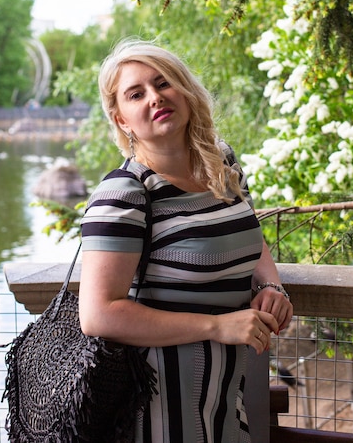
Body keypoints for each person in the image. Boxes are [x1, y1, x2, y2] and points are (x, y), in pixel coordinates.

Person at [79, 39, 293, 443]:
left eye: (164, 83)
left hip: (226, 397)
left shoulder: (221, 162)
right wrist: (218, 326)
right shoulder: (124, 194)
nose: (155, 98)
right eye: (136, 94)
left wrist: (269, 283)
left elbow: (247, 230)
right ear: (122, 119)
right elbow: (98, 316)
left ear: (185, 89)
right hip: (158, 410)